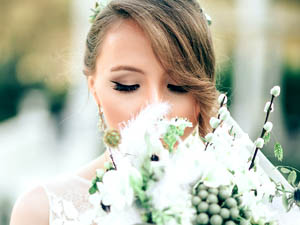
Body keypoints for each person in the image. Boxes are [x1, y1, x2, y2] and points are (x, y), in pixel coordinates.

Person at [10, 0, 218, 224]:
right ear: (94, 90)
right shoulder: (42, 212)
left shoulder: (226, 202)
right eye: (127, 85)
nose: (154, 107)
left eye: (178, 87)